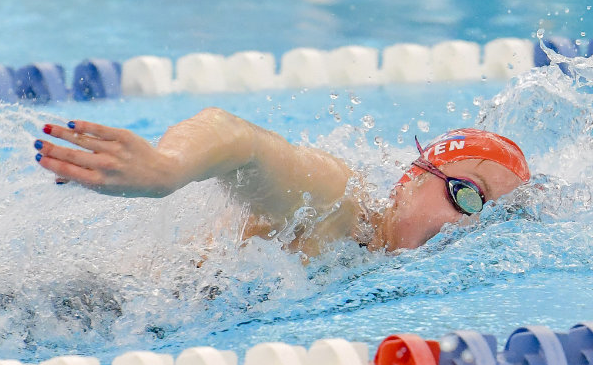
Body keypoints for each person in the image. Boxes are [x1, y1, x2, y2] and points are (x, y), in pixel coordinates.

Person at [34, 108, 530, 256]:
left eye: (491, 219)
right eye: (466, 195)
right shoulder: (341, 209)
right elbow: (237, 138)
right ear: (409, 180)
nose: (467, 227)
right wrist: (167, 169)